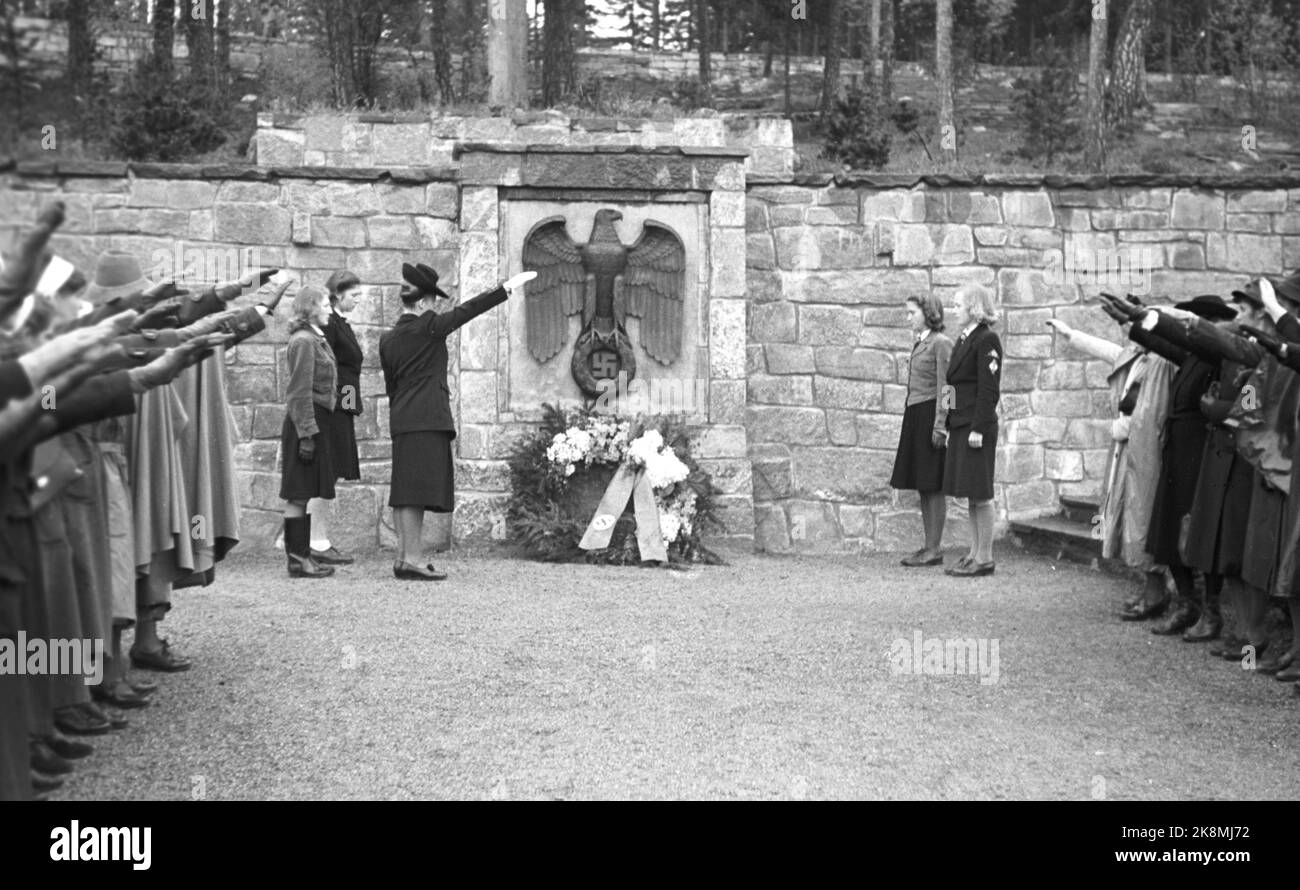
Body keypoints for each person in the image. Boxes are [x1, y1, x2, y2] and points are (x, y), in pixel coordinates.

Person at [379, 263, 533, 580]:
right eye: (433, 300)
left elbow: (391, 387)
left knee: (405, 490)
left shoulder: (389, 339)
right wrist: (506, 288)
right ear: (422, 303)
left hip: (403, 418)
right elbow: (468, 311)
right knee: (414, 493)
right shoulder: (428, 326)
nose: (436, 306)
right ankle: (412, 559)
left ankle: (404, 557)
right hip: (426, 418)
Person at [1048, 311, 1174, 620]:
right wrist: (1070, 334)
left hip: (1146, 451)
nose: (1131, 338)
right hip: (1128, 449)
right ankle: (1150, 587)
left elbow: (1153, 411)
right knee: (1128, 515)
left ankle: (1158, 592)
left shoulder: (1162, 363)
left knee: (1141, 516)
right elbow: (1106, 350)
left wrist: (1127, 426)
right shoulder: (1137, 358)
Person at [941, 284, 1002, 577]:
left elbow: (989, 390)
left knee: (981, 491)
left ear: (973, 308)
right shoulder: (962, 341)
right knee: (970, 492)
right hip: (961, 424)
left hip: (977, 427)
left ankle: (985, 558)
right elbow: (950, 383)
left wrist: (978, 427)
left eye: (957, 305)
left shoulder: (987, 340)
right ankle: (974, 552)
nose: (954, 310)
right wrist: (946, 419)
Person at [306, 269, 366, 567]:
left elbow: (348, 371)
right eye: (353, 295)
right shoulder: (330, 325)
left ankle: (315, 539)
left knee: (332, 471)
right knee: (325, 473)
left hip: (341, 407)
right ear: (338, 295)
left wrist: (351, 405)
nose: (358, 300)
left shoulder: (340, 323)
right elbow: (329, 367)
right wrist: (340, 406)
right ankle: (316, 541)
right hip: (331, 410)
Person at [280, 285, 339, 579]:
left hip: (315, 421)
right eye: (326, 305)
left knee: (303, 491)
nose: (330, 309)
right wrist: (306, 434)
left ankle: (302, 557)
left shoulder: (314, 338)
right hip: (305, 422)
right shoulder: (304, 341)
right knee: (298, 492)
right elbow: (298, 392)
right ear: (311, 308)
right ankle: (297, 560)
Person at [889, 293, 952, 567]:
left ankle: (935, 549)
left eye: (911, 312)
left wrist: (941, 424)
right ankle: (928, 546)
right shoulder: (921, 342)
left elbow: (948, 387)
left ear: (928, 313)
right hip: (915, 413)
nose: (908, 317)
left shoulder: (941, 343)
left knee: (934, 484)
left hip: (930, 415)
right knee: (923, 484)